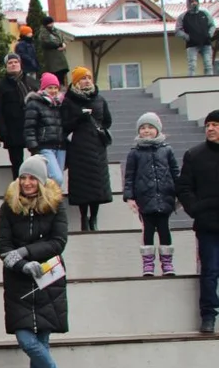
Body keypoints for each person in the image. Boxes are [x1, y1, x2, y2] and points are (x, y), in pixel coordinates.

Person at [0, 155, 78, 368]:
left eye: (32, 178)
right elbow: (3, 245)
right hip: (19, 279)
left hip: (48, 277)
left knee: (41, 339)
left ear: (42, 182)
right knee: (26, 339)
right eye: (24, 177)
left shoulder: (55, 206)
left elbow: (58, 241)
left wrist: (26, 252)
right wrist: (21, 265)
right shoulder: (8, 206)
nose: (27, 182)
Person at [176, 109, 219, 333]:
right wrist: (196, 209)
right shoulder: (194, 155)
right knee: (210, 271)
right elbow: (183, 187)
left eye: (215, 125)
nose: (210, 129)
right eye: (208, 125)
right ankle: (209, 315)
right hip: (208, 226)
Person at [124, 113, 179, 276]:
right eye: (143, 128)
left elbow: (175, 171)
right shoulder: (134, 152)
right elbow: (129, 176)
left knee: (164, 230)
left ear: (157, 129)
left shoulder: (167, 150)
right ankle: (148, 264)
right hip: (145, 199)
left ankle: (167, 264)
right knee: (147, 230)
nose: (146, 131)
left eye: (150, 127)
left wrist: (180, 192)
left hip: (164, 197)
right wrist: (130, 197)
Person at [62, 67, 112, 231]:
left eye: (89, 78)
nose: (87, 81)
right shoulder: (69, 101)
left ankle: (94, 218)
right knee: (82, 186)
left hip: (97, 148)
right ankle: (84, 218)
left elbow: (107, 120)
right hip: (79, 148)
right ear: (76, 82)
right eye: (83, 78)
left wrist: (100, 130)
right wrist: (79, 119)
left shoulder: (99, 99)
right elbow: (64, 124)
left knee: (97, 185)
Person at [0, 53, 36, 179]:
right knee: (16, 162)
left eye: (15, 62)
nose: (13, 65)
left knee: (35, 160)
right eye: (10, 63)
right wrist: (2, 130)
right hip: (12, 129)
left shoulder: (31, 82)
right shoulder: (0, 85)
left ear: (20, 63)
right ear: (6, 66)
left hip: (31, 125)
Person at [24, 72, 67, 186]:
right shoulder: (34, 103)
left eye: (55, 87)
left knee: (55, 182)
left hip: (60, 147)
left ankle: (51, 202)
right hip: (44, 147)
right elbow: (29, 127)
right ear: (43, 88)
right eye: (50, 87)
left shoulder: (60, 104)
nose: (53, 90)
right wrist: (33, 147)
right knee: (56, 178)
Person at [175, 0, 216, 77]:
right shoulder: (183, 16)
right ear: (188, 3)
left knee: (208, 65)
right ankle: (191, 82)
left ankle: (209, 81)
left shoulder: (204, 14)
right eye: (192, 1)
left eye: (195, 1)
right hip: (192, 45)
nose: (194, 3)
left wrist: (209, 34)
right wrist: (187, 37)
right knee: (192, 66)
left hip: (206, 43)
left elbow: (212, 25)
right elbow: (177, 31)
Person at [38, 16, 69, 85]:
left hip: (61, 58)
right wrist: (59, 45)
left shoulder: (56, 30)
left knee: (62, 77)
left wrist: (63, 44)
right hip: (53, 60)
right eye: (50, 23)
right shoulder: (44, 33)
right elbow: (47, 43)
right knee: (56, 78)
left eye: (52, 23)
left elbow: (62, 38)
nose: (52, 25)